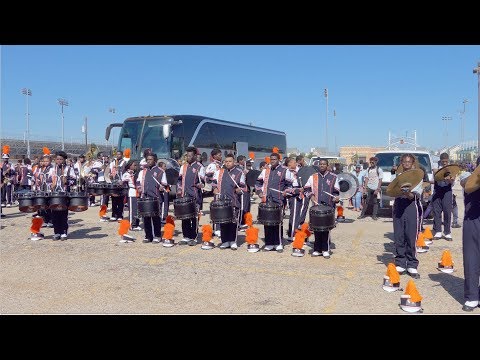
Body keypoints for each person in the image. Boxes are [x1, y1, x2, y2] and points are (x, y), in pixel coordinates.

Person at [390, 154, 424, 279]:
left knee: (411, 235)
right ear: (401, 163)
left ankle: (412, 264)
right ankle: (400, 262)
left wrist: (407, 192)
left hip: (411, 206)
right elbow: (391, 191)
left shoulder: (417, 177)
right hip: (399, 205)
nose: (406, 164)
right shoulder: (398, 176)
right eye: (404, 162)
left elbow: (415, 196)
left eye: (409, 162)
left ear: (413, 163)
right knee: (399, 235)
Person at [303, 159, 340, 258]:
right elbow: (306, 189)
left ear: (327, 166)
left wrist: (336, 198)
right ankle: (317, 249)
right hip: (316, 207)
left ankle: (326, 249)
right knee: (316, 228)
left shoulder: (333, 177)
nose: (322, 166)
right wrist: (311, 195)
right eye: (321, 164)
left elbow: (336, 192)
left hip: (328, 207)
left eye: (324, 164)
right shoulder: (313, 177)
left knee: (326, 229)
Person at [255, 152, 291, 252]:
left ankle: (278, 243)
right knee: (267, 221)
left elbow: (290, 184)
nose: (272, 161)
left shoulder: (285, 170)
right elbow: (258, 183)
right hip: (267, 199)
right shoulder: (265, 170)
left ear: (279, 160)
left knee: (278, 221)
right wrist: (259, 192)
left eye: (274, 159)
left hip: (279, 199)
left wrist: (286, 191)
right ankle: (269, 243)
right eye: (271, 159)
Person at [211, 153, 246, 249]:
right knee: (223, 222)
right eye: (226, 161)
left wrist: (239, 190)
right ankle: (225, 241)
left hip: (234, 201)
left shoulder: (239, 172)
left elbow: (243, 187)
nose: (228, 163)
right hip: (222, 201)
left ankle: (233, 241)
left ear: (234, 162)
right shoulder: (220, 172)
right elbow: (214, 182)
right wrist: (214, 188)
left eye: (230, 161)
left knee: (233, 222)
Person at [459, 156, 480, 311]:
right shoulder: (467, 176)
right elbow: (465, 184)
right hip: (472, 221)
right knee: (471, 259)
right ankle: (471, 297)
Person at [176, 146, 205, 245]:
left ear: (195, 156)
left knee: (194, 217)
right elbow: (179, 180)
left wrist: (201, 185)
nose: (188, 157)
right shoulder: (183, 167)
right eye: (187, 155)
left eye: (190, 155)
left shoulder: (200, 167)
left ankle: (194, 237)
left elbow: (203, 182)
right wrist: (179, 189)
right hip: (184, 195)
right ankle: (186, 236)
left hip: (195, 196)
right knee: (185, 217)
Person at [136, 153, 167, 243]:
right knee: (146, 217)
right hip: (145, 198)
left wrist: (162, 188)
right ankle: (148, 236)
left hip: (156, 198)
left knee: (156, 217)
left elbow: (165, 184)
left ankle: (157, 235)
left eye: (151, 159)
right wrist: (139, 188)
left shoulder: (161, 171)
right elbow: (138, 182)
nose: (149, 161)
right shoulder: (143, 171)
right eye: (148, 159)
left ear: (155, 161)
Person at [46, 151, 77, 240]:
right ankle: (56, 232)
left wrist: (66, 181)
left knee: (63, 213)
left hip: (64, 194)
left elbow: (74, 180)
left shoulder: (69, 169)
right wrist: (51, 185)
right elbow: (47, 180)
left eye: (61, 159)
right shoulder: (52, 169)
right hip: (54, 193)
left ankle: (63, 232)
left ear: (64, 160)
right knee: (54, 213)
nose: (59, 161)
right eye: (57, 159)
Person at [432, 152, 455, 240]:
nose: (444, 163)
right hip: (437, 190)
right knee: (437, 211)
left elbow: (452, 181)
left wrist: (450, 179)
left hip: (447, 191)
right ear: (440, 160)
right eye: (443, 161)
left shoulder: (451, 168)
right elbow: (435, 175)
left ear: (448, 160)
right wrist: (443, 175)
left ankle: (447, 232)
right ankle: (438, 231)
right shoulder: (436, 166)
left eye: (446, 161)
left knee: (447, 211)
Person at [285, 157, 307, 240]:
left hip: (301, 193)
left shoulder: (299, 170)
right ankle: (291, 234)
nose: (296, 163)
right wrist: (296, 190)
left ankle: (296, 231)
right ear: (289, 164)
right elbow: (287, 185)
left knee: (298, 214)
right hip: (293, 195)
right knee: (294, 214)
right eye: (294, 162)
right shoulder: (286, 172)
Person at [205, 148, 223, 236]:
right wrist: (215, 183)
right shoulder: (212, 165)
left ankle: (221, 227)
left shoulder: (222, 164)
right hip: (217, 190)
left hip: (224, 190)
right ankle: (217, 228)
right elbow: (207, 178)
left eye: (221, 154)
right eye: (219, 155)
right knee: (217, 208)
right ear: (214, 156)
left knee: (223, 208)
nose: (221, 156)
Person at [122, 160, 141, 231]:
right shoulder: (126, 174)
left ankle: (137, 224)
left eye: (136, 165)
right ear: (130, 166)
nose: (135, 166)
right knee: (132, 210)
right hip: (132, 193)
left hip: (138, 193)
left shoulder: (137, 173)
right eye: (134, 165)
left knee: (138, 210)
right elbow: (122, 181)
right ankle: (132, 225)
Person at [109, 150, 127, 221]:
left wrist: (118, 168)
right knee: (114, 199)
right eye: (117, 154)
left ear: (122, 155)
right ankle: (114, 214)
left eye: (119, 154)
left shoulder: (124, 162)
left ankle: (120, 215)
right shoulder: (113, 162)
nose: (118, 155)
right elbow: (110, 170)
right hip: (114, 182)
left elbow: (123, 169)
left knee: (120, 200)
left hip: (121, 182)